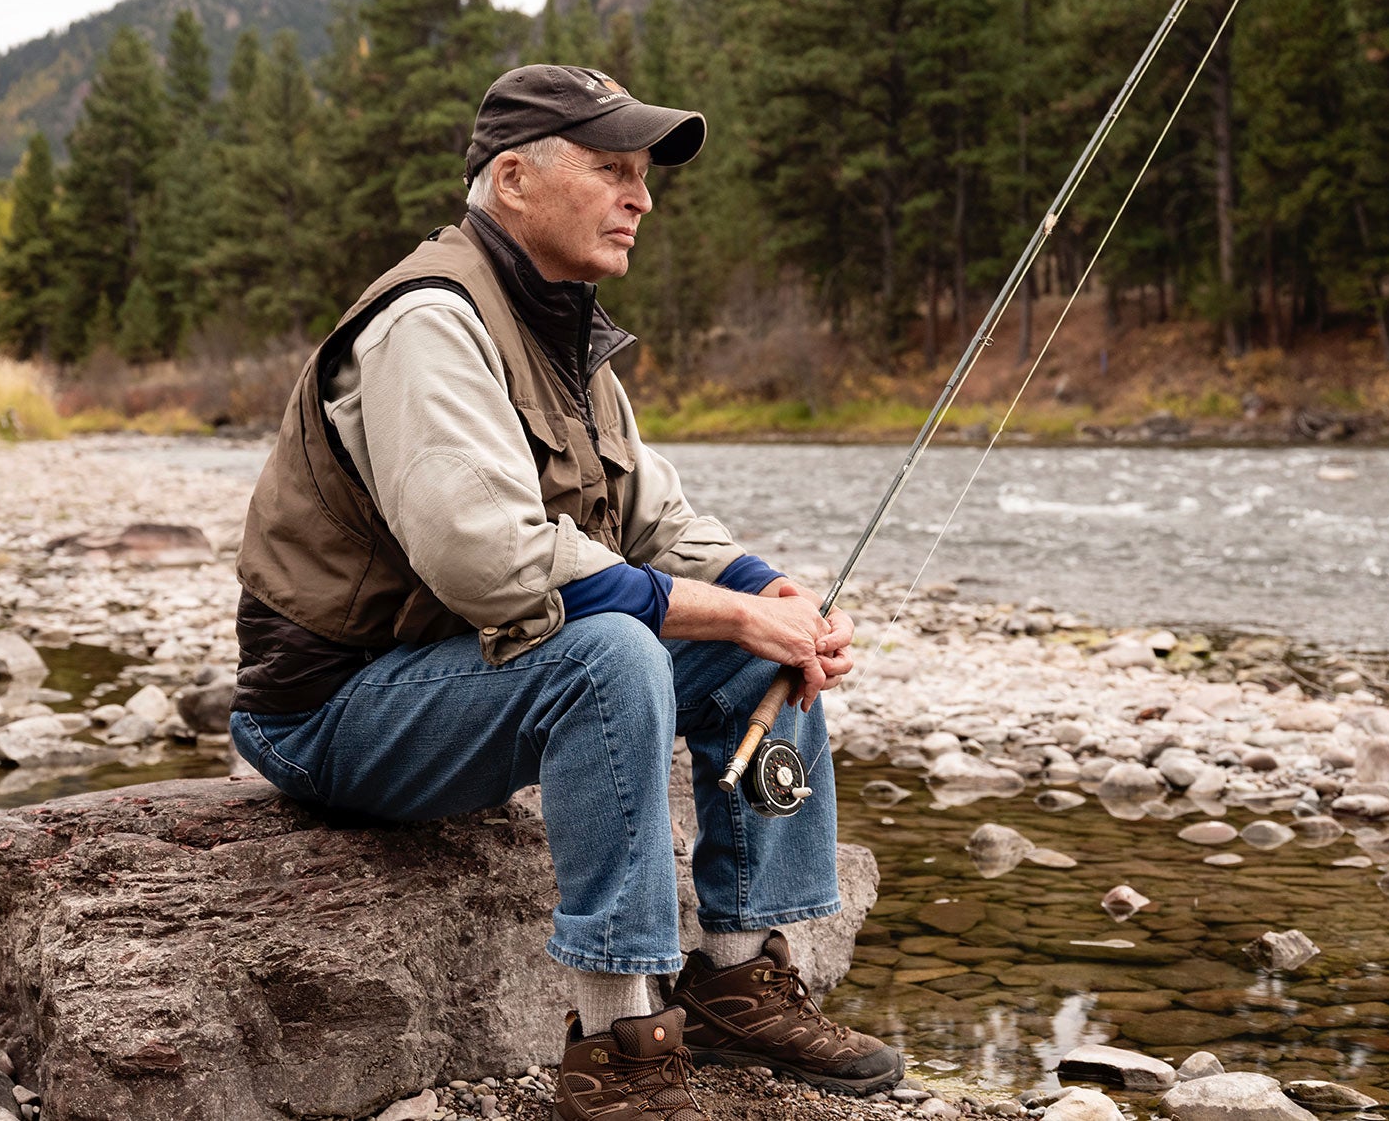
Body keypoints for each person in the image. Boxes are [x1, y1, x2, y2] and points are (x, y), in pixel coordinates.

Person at [229, 64, 904, 1118]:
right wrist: (728, 611)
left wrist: (768, 592)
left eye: (643, 177)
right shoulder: (428, 322)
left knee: (754, 641)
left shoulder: (563, 330)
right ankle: (617, 1041)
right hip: (329, 714)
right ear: (511, 179)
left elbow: (659, 523)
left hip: (462, 678)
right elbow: (488, 564)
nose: (640, 198)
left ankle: (734, 977)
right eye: (611, 171)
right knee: (613, 652)